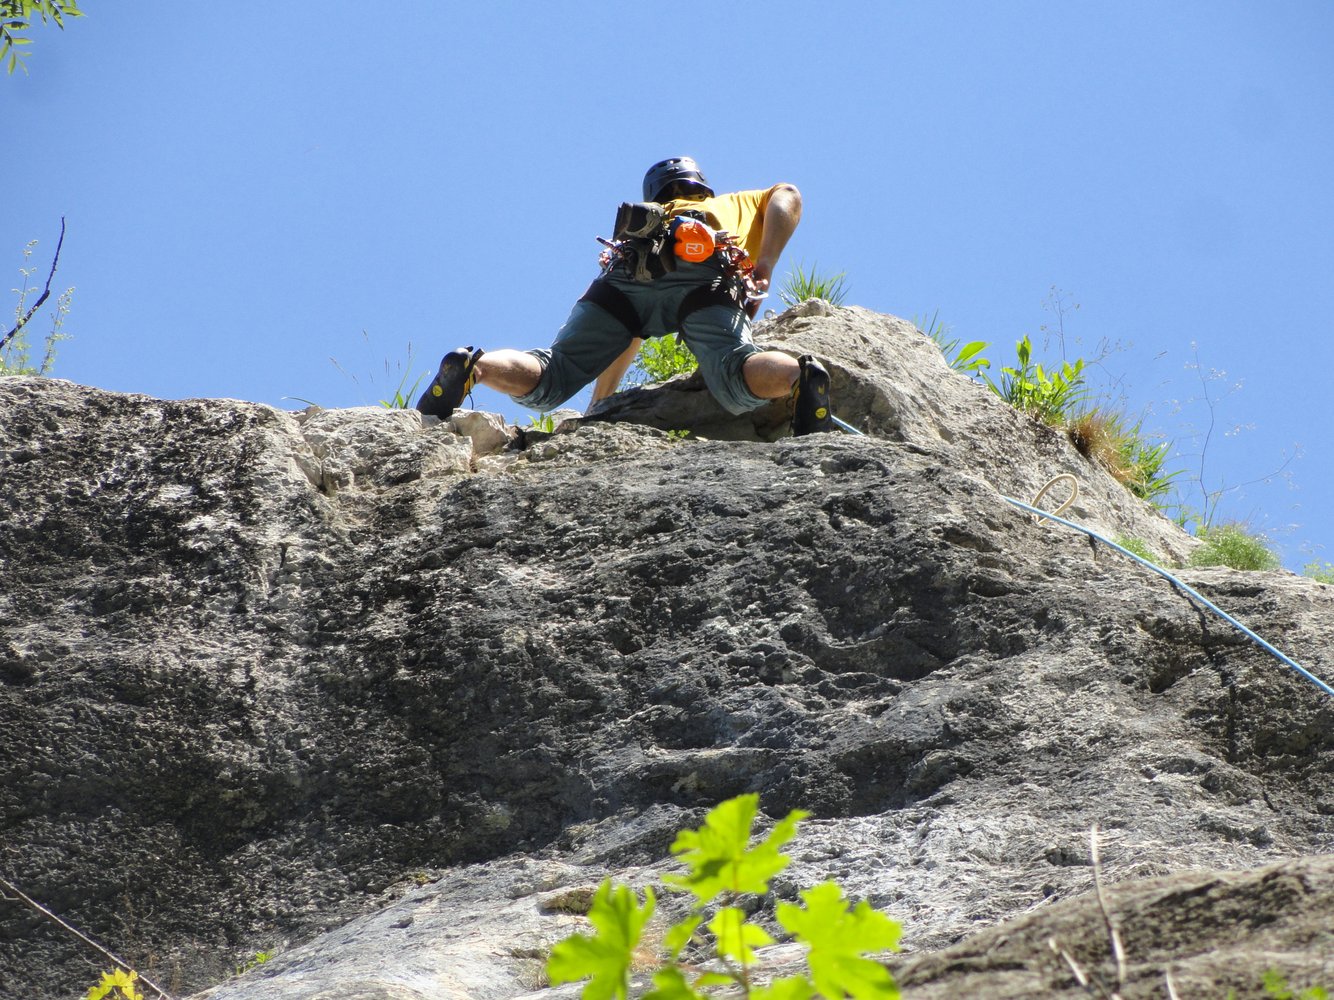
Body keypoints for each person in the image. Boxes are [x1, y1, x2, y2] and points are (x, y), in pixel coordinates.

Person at [416, 157, 833, 435]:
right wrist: (765, 264)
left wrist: (600, 402)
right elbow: (788, 194)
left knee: (553, 371)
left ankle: (475, 366)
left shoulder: (653, 219)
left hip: (625, 273)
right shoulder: (735, 203)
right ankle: (799, 379)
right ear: (702, 187)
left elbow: (630, 330)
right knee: (733, 368)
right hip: (707, 273)